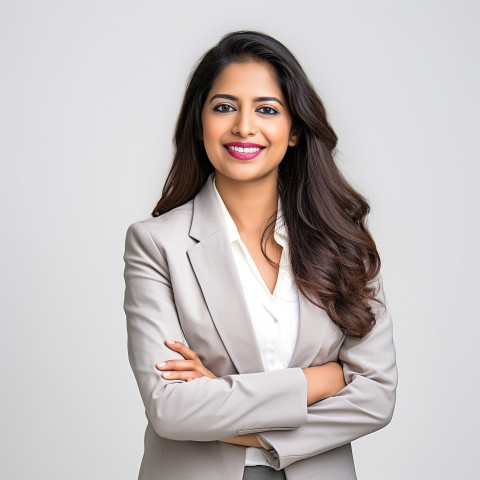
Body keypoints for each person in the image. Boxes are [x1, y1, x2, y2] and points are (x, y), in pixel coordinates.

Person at [123, 30, 398, 480]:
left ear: (293, 132)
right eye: (225, 107)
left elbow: (376, 398)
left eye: (267, 109)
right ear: (200, 124)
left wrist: (222, 402)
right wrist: (319, 381)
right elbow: (170, 409)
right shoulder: (157, 244)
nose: (244, 126)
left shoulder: (344, 242)